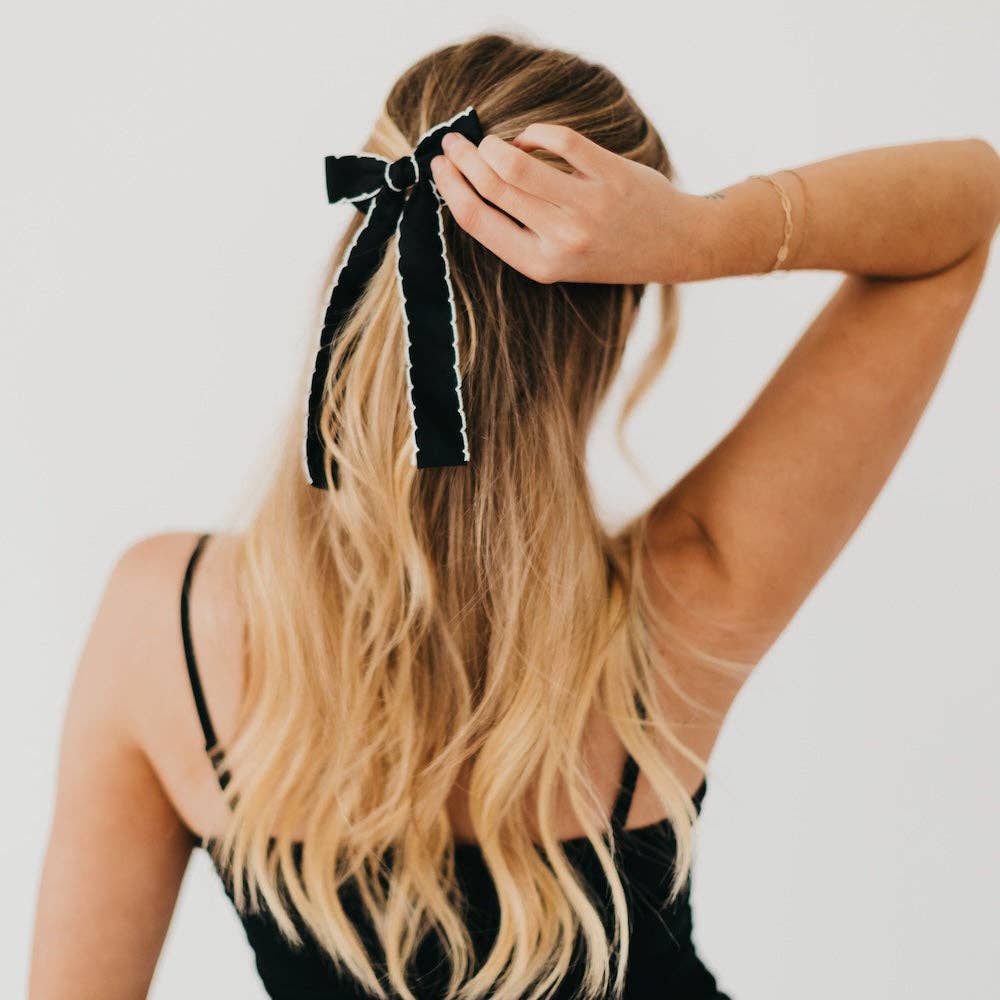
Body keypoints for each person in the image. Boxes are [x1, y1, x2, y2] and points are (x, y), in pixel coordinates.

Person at [28, 29, 1000, 1000]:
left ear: (355, 256)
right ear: (616, 318)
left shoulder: (168, 624)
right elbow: (967, 202)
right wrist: (707, 234)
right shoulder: (686, 597)